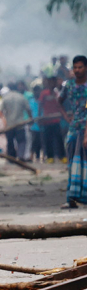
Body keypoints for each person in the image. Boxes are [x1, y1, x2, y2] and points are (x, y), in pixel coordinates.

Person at [59, 55, 87, 209]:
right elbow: (60, 101)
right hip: (74, 128)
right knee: (72, 163)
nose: (77, 70)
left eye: (80, 67)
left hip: (85, 128)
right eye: (75, 67)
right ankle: (71, 197)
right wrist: (67, 116)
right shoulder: (68, 85)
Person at [0, 83, 32, 161]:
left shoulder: (5, 98)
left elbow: (1, 111)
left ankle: (11, 158)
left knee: (10, 141)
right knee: (21, 141)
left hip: (9, 124)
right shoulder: (21, 97)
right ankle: (20, 155)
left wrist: (3, 120)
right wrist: (31, 118)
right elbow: (28, 109)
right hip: (20, 124)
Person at [40, 76, 68, 163]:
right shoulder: (44, 93)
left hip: (56, 120)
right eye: (50, 82)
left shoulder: (57, 93)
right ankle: (50, 157)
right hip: (47, 121)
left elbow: (59, 105)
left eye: (53, 82)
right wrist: (39, 117)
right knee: (48, 139)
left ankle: (62, 156)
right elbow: (40, 105)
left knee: (59, 139)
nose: (52, 84)